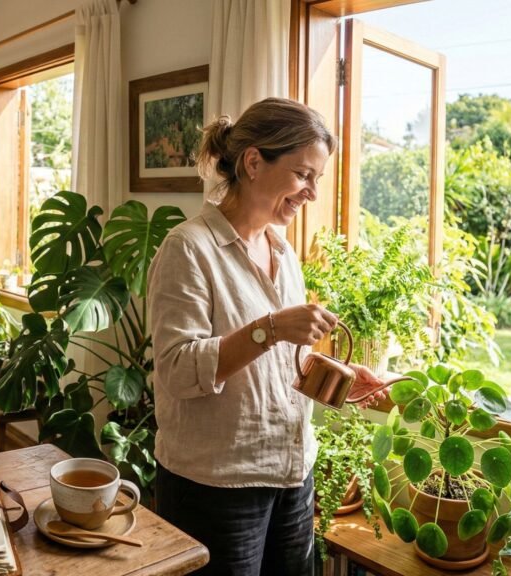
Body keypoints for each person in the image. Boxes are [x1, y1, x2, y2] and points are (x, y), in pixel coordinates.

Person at [148, 97, 396, 576]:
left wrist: (338, 376)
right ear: (254, 162)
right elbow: (178, 370)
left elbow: (281, 364)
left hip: (292, 472)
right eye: (304, 174)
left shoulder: (284, 253)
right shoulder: (189, 249)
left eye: (317, 179)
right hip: (217, 485)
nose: (312, 193)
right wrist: (272, 328)